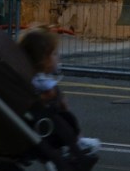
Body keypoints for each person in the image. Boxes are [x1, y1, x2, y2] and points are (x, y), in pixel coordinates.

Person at [18, 26, 100, 168]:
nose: (58, 57)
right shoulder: (40, 80)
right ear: (44, 59)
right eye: (54, 54)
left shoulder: (30, 76)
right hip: (42, 125)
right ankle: (76, 148)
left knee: (66, 119)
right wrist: (54, 97)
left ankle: (76, 145)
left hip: (37, 120)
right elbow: (49, 95)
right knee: (66, 120)